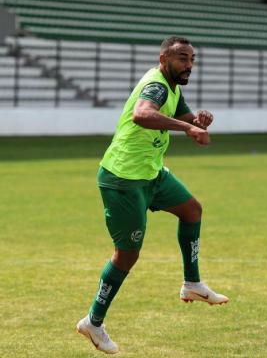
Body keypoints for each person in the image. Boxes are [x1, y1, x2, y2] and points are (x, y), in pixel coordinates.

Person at [77, 36, 229, 354]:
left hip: (151, 174)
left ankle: (192, 284)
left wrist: (196, 121)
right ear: (164, 59)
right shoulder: (157, 85)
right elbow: (142, 114)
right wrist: (188, 130)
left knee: (192, 210)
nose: (188, 65)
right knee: (127, 255)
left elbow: (183, 117)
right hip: (124, 179)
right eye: (182, 59)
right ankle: (93, 321)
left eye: (192, 59)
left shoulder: (173, 87)